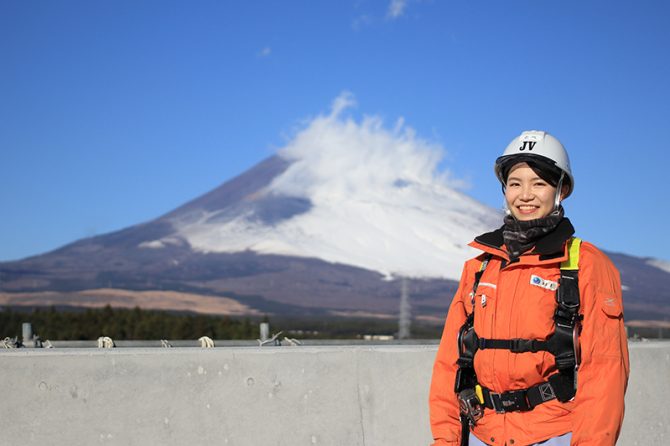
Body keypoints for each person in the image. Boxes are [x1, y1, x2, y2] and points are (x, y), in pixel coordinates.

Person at [429, 130, 630, 446]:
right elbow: (449, 364)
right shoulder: (479, 267)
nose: (525, 195)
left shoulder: (585, 265)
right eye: (515, 183)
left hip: (556, 434)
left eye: (539, 183)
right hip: (484, 433)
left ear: (561, 189)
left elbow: (605, 370)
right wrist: (445, 439)